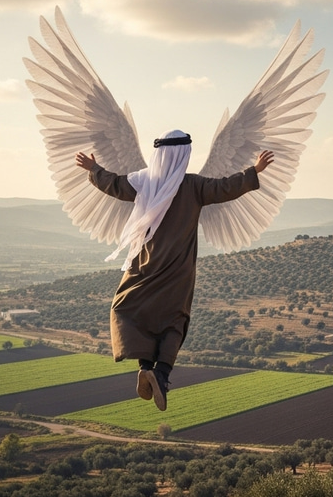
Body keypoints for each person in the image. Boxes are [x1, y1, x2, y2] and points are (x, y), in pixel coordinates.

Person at [75, 130, 274, 411]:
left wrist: (93, 169)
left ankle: (145, 366)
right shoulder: (194, 186)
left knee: (127, 309)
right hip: (179, 269)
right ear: (184, 155)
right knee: (174, 320)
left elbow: (114, 185)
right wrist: (255, 170)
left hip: (144, 264)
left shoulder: (144, 183)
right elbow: (226, 187)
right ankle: (161, 374)